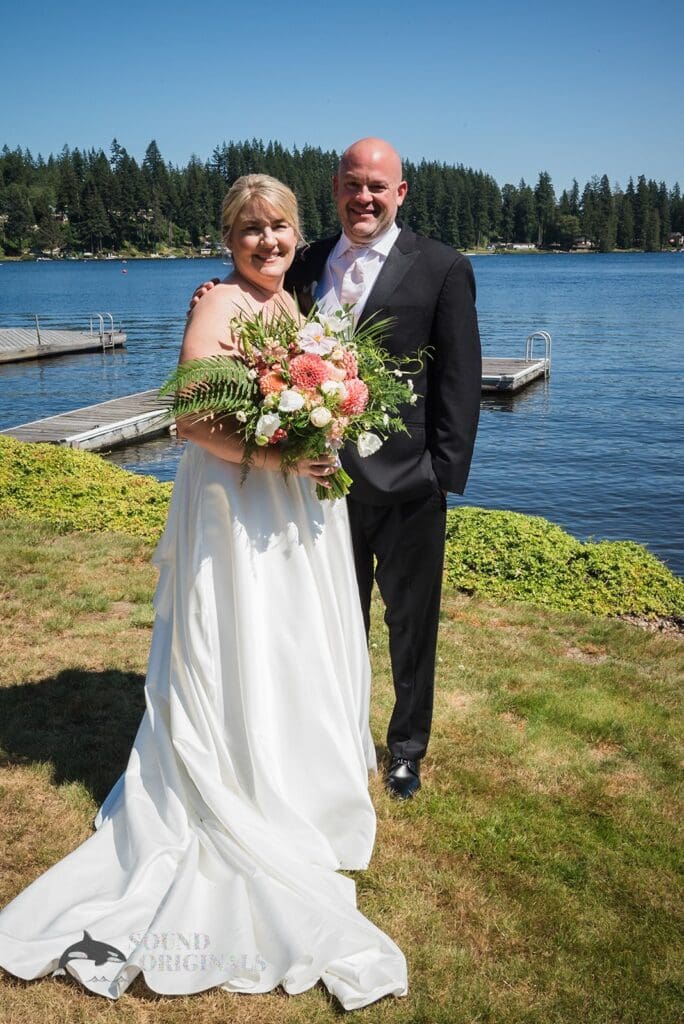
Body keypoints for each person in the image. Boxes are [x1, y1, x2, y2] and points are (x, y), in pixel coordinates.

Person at [0, 174, 408, 1010]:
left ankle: (288, 778)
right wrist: (282, 456)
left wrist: (321, 438)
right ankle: (231, 780)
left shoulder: (293, 309)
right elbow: (188, 418)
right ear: (229, 239)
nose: (269, 241)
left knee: (289, 643)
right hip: (235, 505)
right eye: (252, 229)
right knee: (237, 636)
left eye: (281, 228)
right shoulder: (217, 305)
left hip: (292, 505)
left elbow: (306, 402)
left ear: (300, 234)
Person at [192, 138, 482, 800]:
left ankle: (406, 749)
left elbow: (459, 382)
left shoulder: (442, 267)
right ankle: (335, 741)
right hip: (318, 486)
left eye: (379, 187)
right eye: (354, 184)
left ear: (400, 194)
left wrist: (441, 476)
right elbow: (252, 306)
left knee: (411, 627)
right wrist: (207, 290)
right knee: (327, 624)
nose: (365, 197)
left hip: (410, 487)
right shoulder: (307, 259)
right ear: (336, 189)